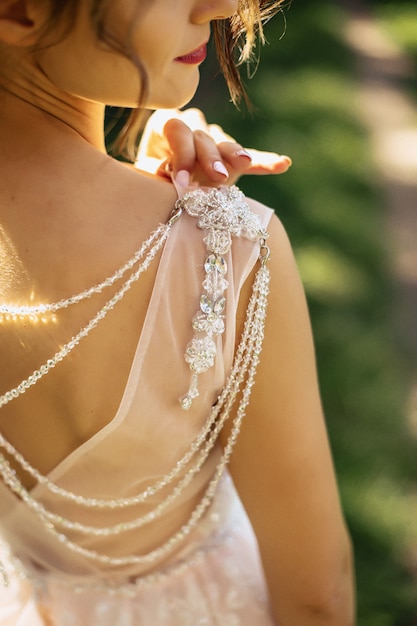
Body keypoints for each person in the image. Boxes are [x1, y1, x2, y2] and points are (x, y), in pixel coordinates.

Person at [0, 1, 355, 624]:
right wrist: (191, 230)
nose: (216, 4)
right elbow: (317, 595)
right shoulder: (228, 247)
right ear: (18, 11)